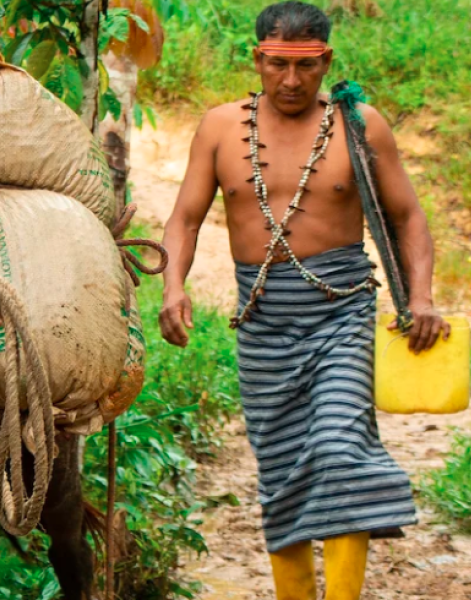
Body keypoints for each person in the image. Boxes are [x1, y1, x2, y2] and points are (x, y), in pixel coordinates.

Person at [159, 2, 450, 599]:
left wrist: (420, 297)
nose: (290, 81)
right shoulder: (219, 127)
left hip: (342, 313)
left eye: (306, 66)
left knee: (341, 451)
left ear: (327, 62)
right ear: (257, 58)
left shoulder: (360, 124)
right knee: (284, 472)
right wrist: (172, 287)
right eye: (277, 64)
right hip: (263, 323)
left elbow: (409, 216)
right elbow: (185, 219)